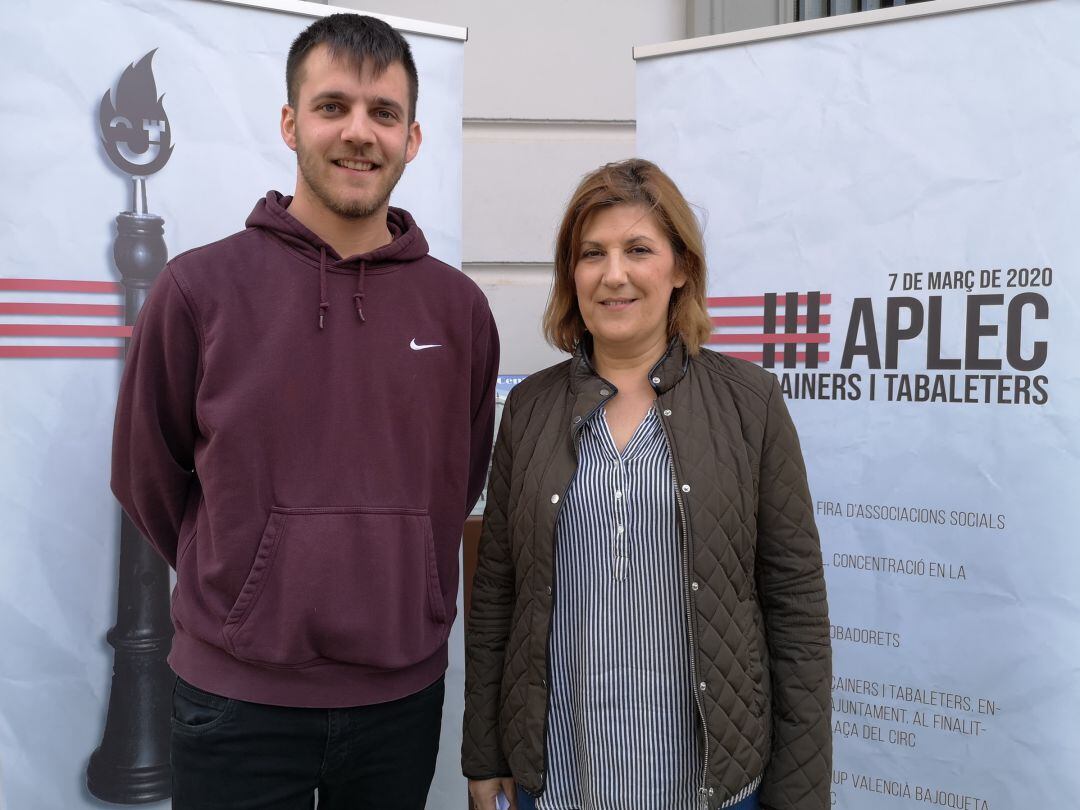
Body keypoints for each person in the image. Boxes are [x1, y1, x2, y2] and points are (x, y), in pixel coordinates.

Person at [111, 14, 499, 809]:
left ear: (413, 138)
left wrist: (404, 574)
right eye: (333, 106)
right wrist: (247, 580)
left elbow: (457, 474)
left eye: (383, 113)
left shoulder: (459, 310)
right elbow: (145, 473)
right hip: (234, 703)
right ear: (291, 123)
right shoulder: (198, 290)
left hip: (399, 700)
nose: (359, 132)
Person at [462, 159, 830, 810]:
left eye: (638, 249)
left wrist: (799, 797)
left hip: (711, 788)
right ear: (570, 273)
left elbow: (795, 609)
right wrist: (485, 753)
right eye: (591, 253)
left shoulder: (751, 403)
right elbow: (497, 598)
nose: (614, 274)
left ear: (680, 267)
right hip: (561, 780)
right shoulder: (531, 410)